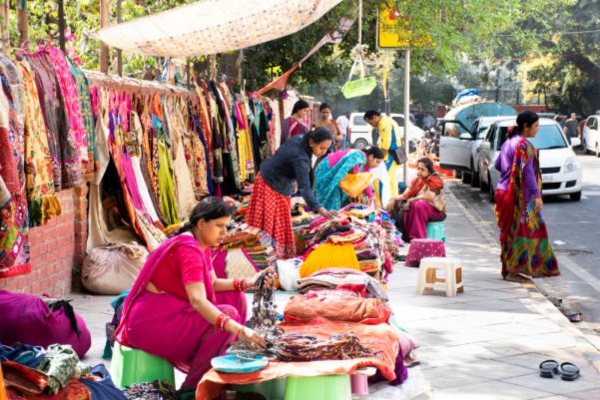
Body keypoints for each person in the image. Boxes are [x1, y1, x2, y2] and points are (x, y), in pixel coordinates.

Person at [114, 197, 277, 397]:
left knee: (235, 299)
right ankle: (194, 388)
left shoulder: (201, 244)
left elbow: (214, 284)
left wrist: (250, 282)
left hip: (167, 314)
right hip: (150, 324)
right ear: (201, 224)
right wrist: (240, 329)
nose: (224, 233)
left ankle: (222, 369)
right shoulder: (188, 249)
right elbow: (197, 300)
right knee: (228, 316)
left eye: (226, 226)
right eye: (219, 226)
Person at [246, 128, 337, 258]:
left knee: (278, 222)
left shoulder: (299, 139)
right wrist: (321, 210)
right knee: (269, 222)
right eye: (322, 148)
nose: (323, 152)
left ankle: (268, 252)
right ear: (312, 142)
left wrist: (293, 180)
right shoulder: (300, 158)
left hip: (270, 177)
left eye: (326, 149)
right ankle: (265, 254)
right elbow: (305, 188)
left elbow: (282, 155)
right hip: (270, 185)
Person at [494, 111, 560, 282]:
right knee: (523, 231)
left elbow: (498, 165)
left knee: (509, 230)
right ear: (526, 126)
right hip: (519, 197)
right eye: (536, 126)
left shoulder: (507, 142)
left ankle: (510, 268)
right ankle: (513, 271)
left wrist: (510, 174)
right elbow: (528, 173)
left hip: (502, 192)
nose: (537, 130)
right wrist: (537, 196)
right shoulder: (524, 145)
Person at [386, 157, 446, 243]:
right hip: (420, 208)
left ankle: (418, 238)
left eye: (422, 169)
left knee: (418, 204)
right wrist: (393, 199)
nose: (419, 171)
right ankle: (396, 234)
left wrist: (412, 199)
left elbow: (429, 196)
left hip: (436, 211)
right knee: (396, 204)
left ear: (429, 171)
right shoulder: (417, 180)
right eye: (418, 169)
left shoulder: (434, 179)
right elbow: (405, 195)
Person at [314, 147, 384, 210]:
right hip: (327, 168)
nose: (376, 165)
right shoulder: (358, 155)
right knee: (327, 197)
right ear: (371, 157)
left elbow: (365, 184)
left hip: (335, 174)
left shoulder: (365, 166)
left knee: (334, 202)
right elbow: (354, 172)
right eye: (377, 162)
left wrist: (374, 203)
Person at [364, 110, 403, 197]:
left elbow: (385, 146)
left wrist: (378, 158)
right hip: (394, 155)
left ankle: (381, 206)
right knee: (391, 181)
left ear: (375, 117)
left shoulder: (384, 124)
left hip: (389, 156)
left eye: (371, 123)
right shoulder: (389, 120)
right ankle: (393, 204)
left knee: (379, 180)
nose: (372, 125)